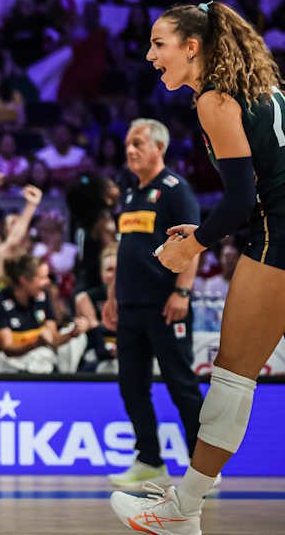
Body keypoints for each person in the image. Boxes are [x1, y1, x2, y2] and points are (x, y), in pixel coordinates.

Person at [112, 1, 285, 534]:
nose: (149, 55)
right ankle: (184, 507)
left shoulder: (215, 98)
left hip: (277, 235)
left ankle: (182, 510)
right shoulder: (264, 90)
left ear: (193, 47)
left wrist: (195, 244)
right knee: (234, 378)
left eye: (159, 44)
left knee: (231, 378)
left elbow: (239, 201)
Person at [100, 118, 203, 487]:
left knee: (181, 385)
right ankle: (149, 459)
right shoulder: (129, 193)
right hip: (129, 306)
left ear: (159, 147)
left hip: (165, 304)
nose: (130, 150)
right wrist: (112, 297)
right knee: (131, 385)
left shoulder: (176, 189)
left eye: (138, 143)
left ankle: (201, 466)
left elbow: (194, 245)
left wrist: (182, 292)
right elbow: (124, 251)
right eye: (128, 143)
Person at [0, 255, 89, 373]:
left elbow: (53, 339)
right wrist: (36, 344)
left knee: (74, 341)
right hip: (10, 362)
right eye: (42, 278)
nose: (48, 282)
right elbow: (7, 349)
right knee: (2, 360)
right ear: (23, 280)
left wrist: (73, 333)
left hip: (39, 357)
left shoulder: (42, 297)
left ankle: (65, 381)